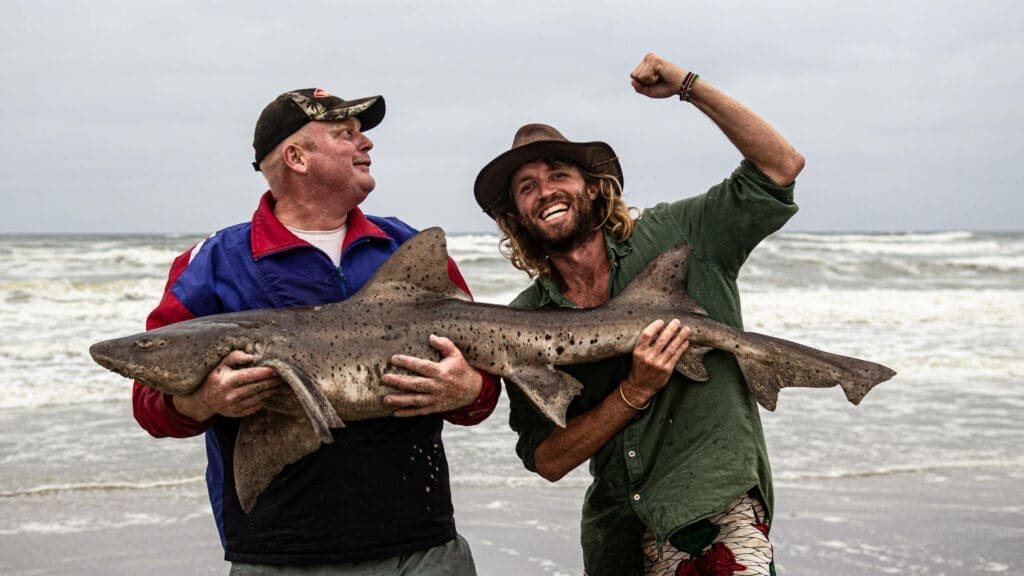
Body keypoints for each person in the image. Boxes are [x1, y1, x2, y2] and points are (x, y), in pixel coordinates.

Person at [133, 88, 500, 575]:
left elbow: (483, 384)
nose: (365, 143)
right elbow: (150, 403)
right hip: (281, 553)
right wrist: (204, 400)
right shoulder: (215, 263)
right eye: (345, 134)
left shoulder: (409, 249)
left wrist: (469, 389)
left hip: (424, 546)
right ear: (296, 157)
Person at [473, 53, 805, 575]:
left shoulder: (682, 235)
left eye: (558, 174)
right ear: (516, 215)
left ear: (592, 186)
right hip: (616, 533)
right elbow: (549, 460)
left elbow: (779, 167)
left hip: (712, 506)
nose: (546, 193)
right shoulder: (522, 319)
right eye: (527, 188)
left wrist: (688, 86)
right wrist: (634, 392)